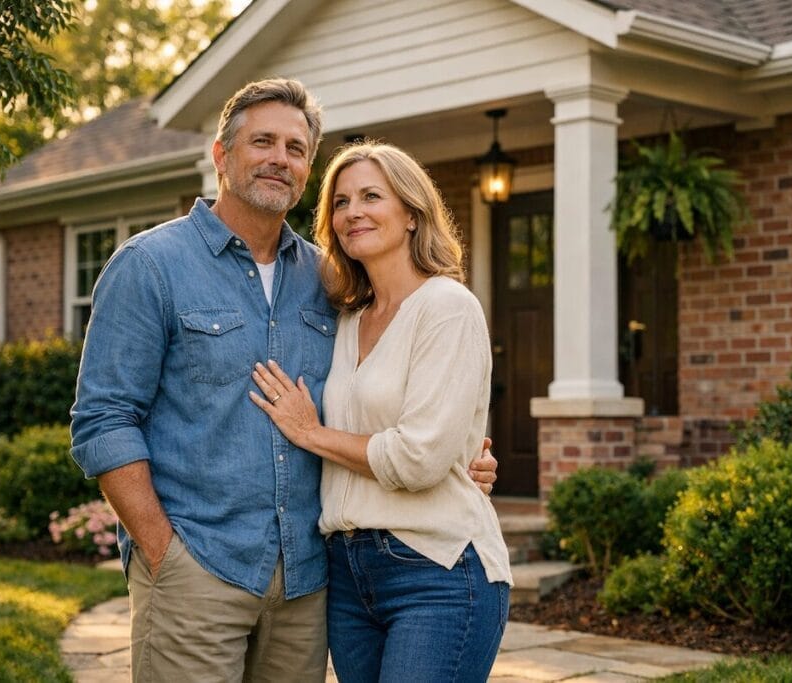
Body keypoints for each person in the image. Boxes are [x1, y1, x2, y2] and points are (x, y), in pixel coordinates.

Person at [69, 78, 497, 682]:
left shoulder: (329, 282)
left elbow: (383, 400)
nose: (280, 158)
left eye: (296, 148)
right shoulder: (150, 265)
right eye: (263, 142)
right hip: (199, 570)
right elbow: (104, 420)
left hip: (307, 585)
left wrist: (461, 455)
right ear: (221, 155)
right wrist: (162, 550)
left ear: (306, 170)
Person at [249, 141, 512, 683]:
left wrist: (312, 433)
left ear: (412, 214)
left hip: (436, 568)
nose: (353, 212)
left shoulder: (447, 307)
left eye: (372, 196)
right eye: (341, 202)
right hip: (346, 575)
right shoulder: (346, 320)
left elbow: (418, 459)